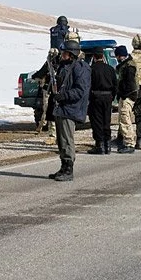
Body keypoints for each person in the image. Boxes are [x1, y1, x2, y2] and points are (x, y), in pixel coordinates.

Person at [48, 40, 91, 181]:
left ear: (70, 54)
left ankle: (68, 169)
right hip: (62, 108)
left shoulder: (80, 68)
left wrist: (63, 96)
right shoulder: (65, 66)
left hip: (70, 108)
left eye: (64, 52)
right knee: (61, 140)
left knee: (67, 139)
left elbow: (80, 90)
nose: (62, 54)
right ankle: (63, 166)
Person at [87, 48, 117, 155]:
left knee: (97, 121)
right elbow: (115, 84)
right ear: (103, 56)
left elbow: (88, 85)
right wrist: (112, 96)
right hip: (108, 97)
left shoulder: (91, 69)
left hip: (96, 97)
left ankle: (99, 145)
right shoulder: (110, 69)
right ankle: (107, 145)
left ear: (94, 57)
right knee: (106, 120)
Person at [31, 48, 60, 142]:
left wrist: (36, 77)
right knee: (49, 111)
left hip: (52, 91)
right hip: (52, 90)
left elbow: (40, 74)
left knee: (49, 110)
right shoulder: (51, 64)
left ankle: (53, 133)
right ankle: (52, 132)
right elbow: (41, 73)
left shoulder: (53, 64)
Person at [114, 45, 137, 153]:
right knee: (123, 119)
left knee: (125, 119)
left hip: (128, 96)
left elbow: (130, 84)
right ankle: (125, 140)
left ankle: (129, 143)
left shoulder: (129, 67)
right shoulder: (125, 65)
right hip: (125, 96)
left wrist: (124, 94)